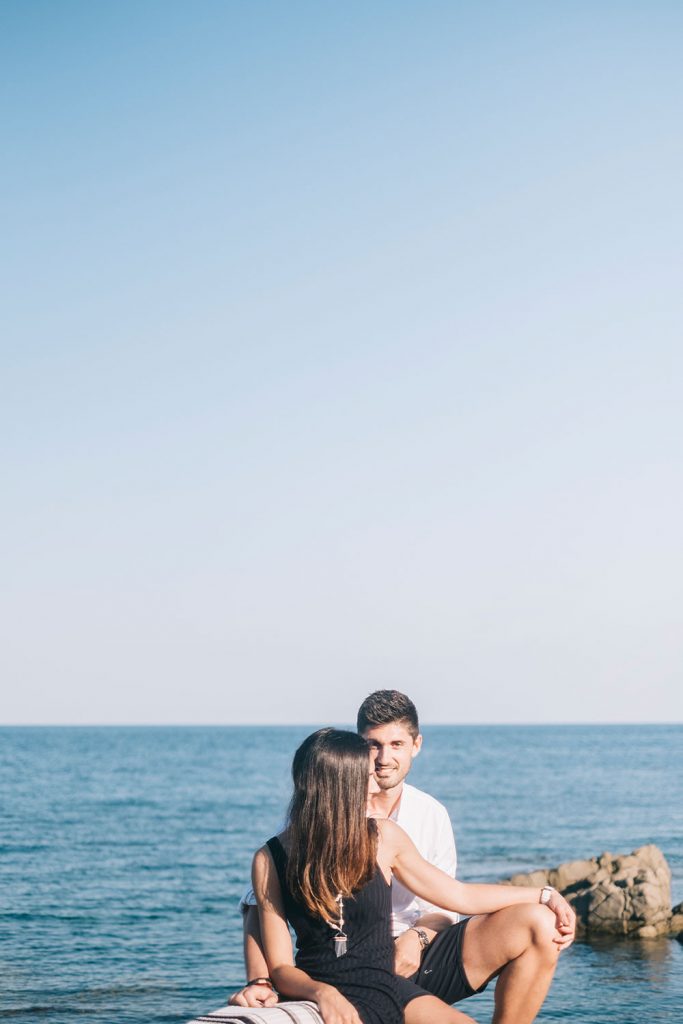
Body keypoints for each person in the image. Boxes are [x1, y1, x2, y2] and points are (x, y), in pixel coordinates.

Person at [231, 691, 575, 1022]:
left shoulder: (414, 821)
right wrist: (260, 982)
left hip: (418, 953)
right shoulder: (283, 844)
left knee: (539, 922)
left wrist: (545, 894)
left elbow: (454, 898)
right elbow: (258, 910)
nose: (381, 761)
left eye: (396, 745)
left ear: (415, 745)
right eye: (372, 747)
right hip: (332, 973)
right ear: (347, 767)